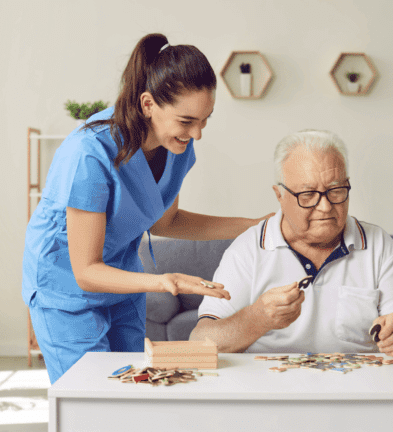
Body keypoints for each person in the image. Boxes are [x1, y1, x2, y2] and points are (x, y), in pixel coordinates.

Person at [22, 33, 271, 384]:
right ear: (148, 104)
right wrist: (164, 281)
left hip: (122, 278)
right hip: (65, 287)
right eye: (186, 121)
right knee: (92, 396)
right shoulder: (88, 155)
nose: (197, 134)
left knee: (132, 389)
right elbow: (86, 270)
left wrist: (255, 225)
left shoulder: (176, 147)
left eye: (205, 120)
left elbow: (167, 221)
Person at [190, 130, 393, 356]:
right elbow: (200, 342)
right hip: (270, 393)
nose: (325, 207)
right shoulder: (248, 248)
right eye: (307, 195)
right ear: (279, 196)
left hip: (356, 391)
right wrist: (257, 318)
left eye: (336, 190)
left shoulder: (378, 244)